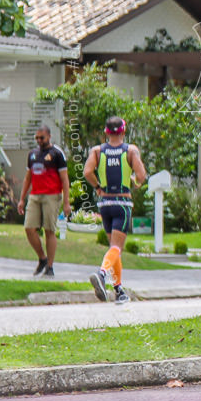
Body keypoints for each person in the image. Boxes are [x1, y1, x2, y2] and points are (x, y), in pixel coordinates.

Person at [83, 116, 146, 304]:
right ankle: (101, 274)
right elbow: (141, 176)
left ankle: (119, 290)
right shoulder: (130, 151)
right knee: (117, 247)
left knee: (114, 249)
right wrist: (135, 182)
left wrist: (97, 187)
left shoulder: (97, 151)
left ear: (106, 132)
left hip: (105, 204)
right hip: (122, 203)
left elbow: (87, 172)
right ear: (124, 132)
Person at [18, 125, 70, 277]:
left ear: (49, 137)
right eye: (37, 138)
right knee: (29, 228)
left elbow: (65, 180)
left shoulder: (57, 154)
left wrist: (66, 202)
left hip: (52, 196)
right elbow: (28, 178)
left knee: (49, 230)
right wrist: (22, 199)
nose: (39, 141)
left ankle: (50, 266)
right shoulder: (33, 154)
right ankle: (42, 258)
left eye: (42, 138)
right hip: (35, 195)